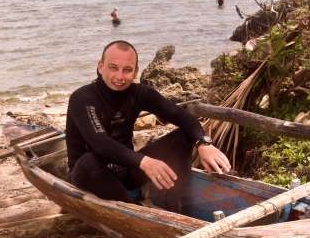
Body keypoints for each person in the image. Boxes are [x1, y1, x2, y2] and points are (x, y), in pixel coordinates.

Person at [65, 40, 232, 212]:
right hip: (90, 177)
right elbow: (100, 143)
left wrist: (203, 142)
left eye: (127, 70)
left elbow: (181, 116)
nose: (120, 77)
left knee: (183, 136)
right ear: (101, 67)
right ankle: (133, 213)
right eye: (113, 68)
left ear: (135, 72)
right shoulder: (83, 98)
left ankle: (174, 207)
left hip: (125, 172)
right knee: (89, 161)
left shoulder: (139, 93)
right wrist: (144, 161)